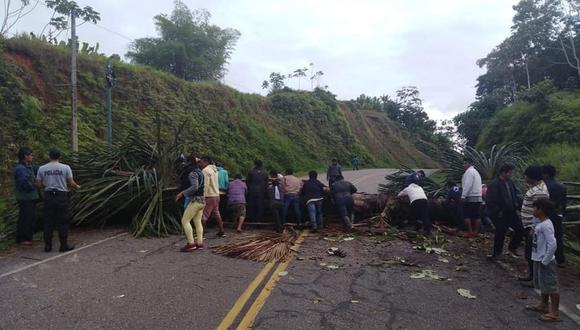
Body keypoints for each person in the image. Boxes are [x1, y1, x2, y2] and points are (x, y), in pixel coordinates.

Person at [36, 148, 80, 253]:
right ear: (59, 156)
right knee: (63, 221)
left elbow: (38, 184)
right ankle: (63, 245)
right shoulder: (65, 168)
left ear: (49, 156)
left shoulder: (42, 168)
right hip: (61, 196)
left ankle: (48, 246)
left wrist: (47, 184)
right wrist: (78, 187)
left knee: (48, 222)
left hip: (48, 196)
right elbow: (70, 183)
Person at [525, 198, 560, 323]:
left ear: (541, 210)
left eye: (535, 208)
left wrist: (546, 260)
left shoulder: (546, 225)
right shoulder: (540, 223)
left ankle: (554, 312)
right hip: (538, 258)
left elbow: (552, 244)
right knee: (543, 284)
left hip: (545, 260)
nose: (533, 210)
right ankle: (544, 304)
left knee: (551, 286)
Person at [519, 165, 550, 282]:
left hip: (534, 227)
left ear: (532, 177)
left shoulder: (540, 191)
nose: (525, 178)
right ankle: (532, 276)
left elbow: (540, 211)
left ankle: (535, 278)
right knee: (530, 252)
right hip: (529, 225)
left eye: (526, 176)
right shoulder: (536, 187)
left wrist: (533, 228)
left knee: (533, 253)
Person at [485, 164, 523, 259]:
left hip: (512, 211)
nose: (511, 174)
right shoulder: (495, 184)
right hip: (501, 213)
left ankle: (512, 247)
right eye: (509, 172)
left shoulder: (510, 183)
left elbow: (515, 195)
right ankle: (496, 253)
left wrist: (516, 205)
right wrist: (498, 211)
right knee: (500, 233)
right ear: (503, 173)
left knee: (520, 229)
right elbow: (490, 200)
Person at [175, 155, 205, 252]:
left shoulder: (192, 173)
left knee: (185, 221)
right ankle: (199, 243)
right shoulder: (200, 171)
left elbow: (194, 187)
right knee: (197, 221)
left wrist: (182, 193)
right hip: (202, 200)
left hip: (195, 200)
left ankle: (191, 243)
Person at [14, 147, 40, 246]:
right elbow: (24, 184)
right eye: (31, 155)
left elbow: (38, 169)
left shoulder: (29, 167)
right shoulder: (21, 169)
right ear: (26, 156)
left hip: (31, 197)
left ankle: (28, 237)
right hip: (25, 198)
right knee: (25, 218)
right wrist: (35, 185)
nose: (32, 157)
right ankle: (23, 239)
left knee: (30, 218)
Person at [542, 165, 567, 267]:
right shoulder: (561, 186)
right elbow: (564, 202)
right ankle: (560, 259)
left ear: (546, 174)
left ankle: (546, 258)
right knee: (557, 236)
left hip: (546, 214)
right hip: (557, 213)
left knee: (544, 237)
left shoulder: (543, 186)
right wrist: (562, 213)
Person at [199, 156, 225, 237]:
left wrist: (203, 196)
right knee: (216, 213)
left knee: (204, 214)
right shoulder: (215, 170)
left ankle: (201, 233)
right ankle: (221, 230)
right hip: (216, 195)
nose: (200, 164)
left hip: (209, 195)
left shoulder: (205, 170)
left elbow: (205, 184)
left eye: (201, 162)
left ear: (206, 162)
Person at [460, 158, 483, 238]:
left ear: (469, 164)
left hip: (470, 196)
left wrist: (463, 196)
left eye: (465, 163)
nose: (463, 165)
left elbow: (468, 185)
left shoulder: (469, 172)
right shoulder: (476, 172)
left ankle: (470, 232)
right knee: (477, 216)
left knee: (466, 215)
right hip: (478, 196)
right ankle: (476, 232)